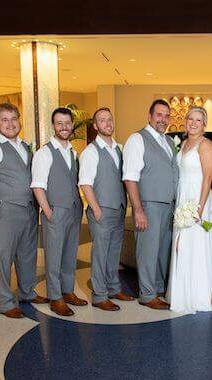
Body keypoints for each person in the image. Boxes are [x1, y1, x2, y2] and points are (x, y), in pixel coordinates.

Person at [0, 103, 47, 319]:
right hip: (6, 210)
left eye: (14, 118)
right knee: (3, 257)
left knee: (27, 255)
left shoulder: (24, 146)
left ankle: (26, 292)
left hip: (27, 209)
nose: (10, 124)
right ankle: (4, 302)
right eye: (5, 120)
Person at [122, 99, 179, 310]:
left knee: (161, 250)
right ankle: (147, 294)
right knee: (147, 251)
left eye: (166, 116)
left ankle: (157, 288)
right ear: (149, 116)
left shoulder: (169, 142)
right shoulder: (137, 139)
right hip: (149, 205)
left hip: (167, 206)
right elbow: (130, 177)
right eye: (159, 115)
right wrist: (138, 210)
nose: (163, 120)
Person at [31, 107, 87, 317]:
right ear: (53, 126)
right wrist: (48, 212)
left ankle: (67, 290)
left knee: (70, 253)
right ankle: (56, 297)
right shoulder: (44, 153)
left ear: (72, 125)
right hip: (55, 210)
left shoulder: (73, 152)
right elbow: (37, 186)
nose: (64, 127)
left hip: (73, 209)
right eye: (59, 123)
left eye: (67, 123)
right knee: (54, 255)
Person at [79, 107, 134, 312]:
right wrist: (96, 209)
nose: (107, 123)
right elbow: (85, 183)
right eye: (102, 120)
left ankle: (113, 288)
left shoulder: (118, 149)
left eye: (110, 119)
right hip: (101, 210)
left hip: (118, 208)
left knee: (113, 252)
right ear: (95, 126)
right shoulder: (91, 152)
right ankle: (100, 295)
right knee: (100, 254)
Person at [166, 106, 212, 313]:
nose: (193, 123)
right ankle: (181, 292)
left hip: (198, 200)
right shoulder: (184, 143)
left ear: (204, 124)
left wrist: (199, 209)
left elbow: (208, 178)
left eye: (198, 120)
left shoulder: (206, 145)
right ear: (185, 121)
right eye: (190, 119)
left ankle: (197, 295)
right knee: (181, 245)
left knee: (195, 246)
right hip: (182, 198)